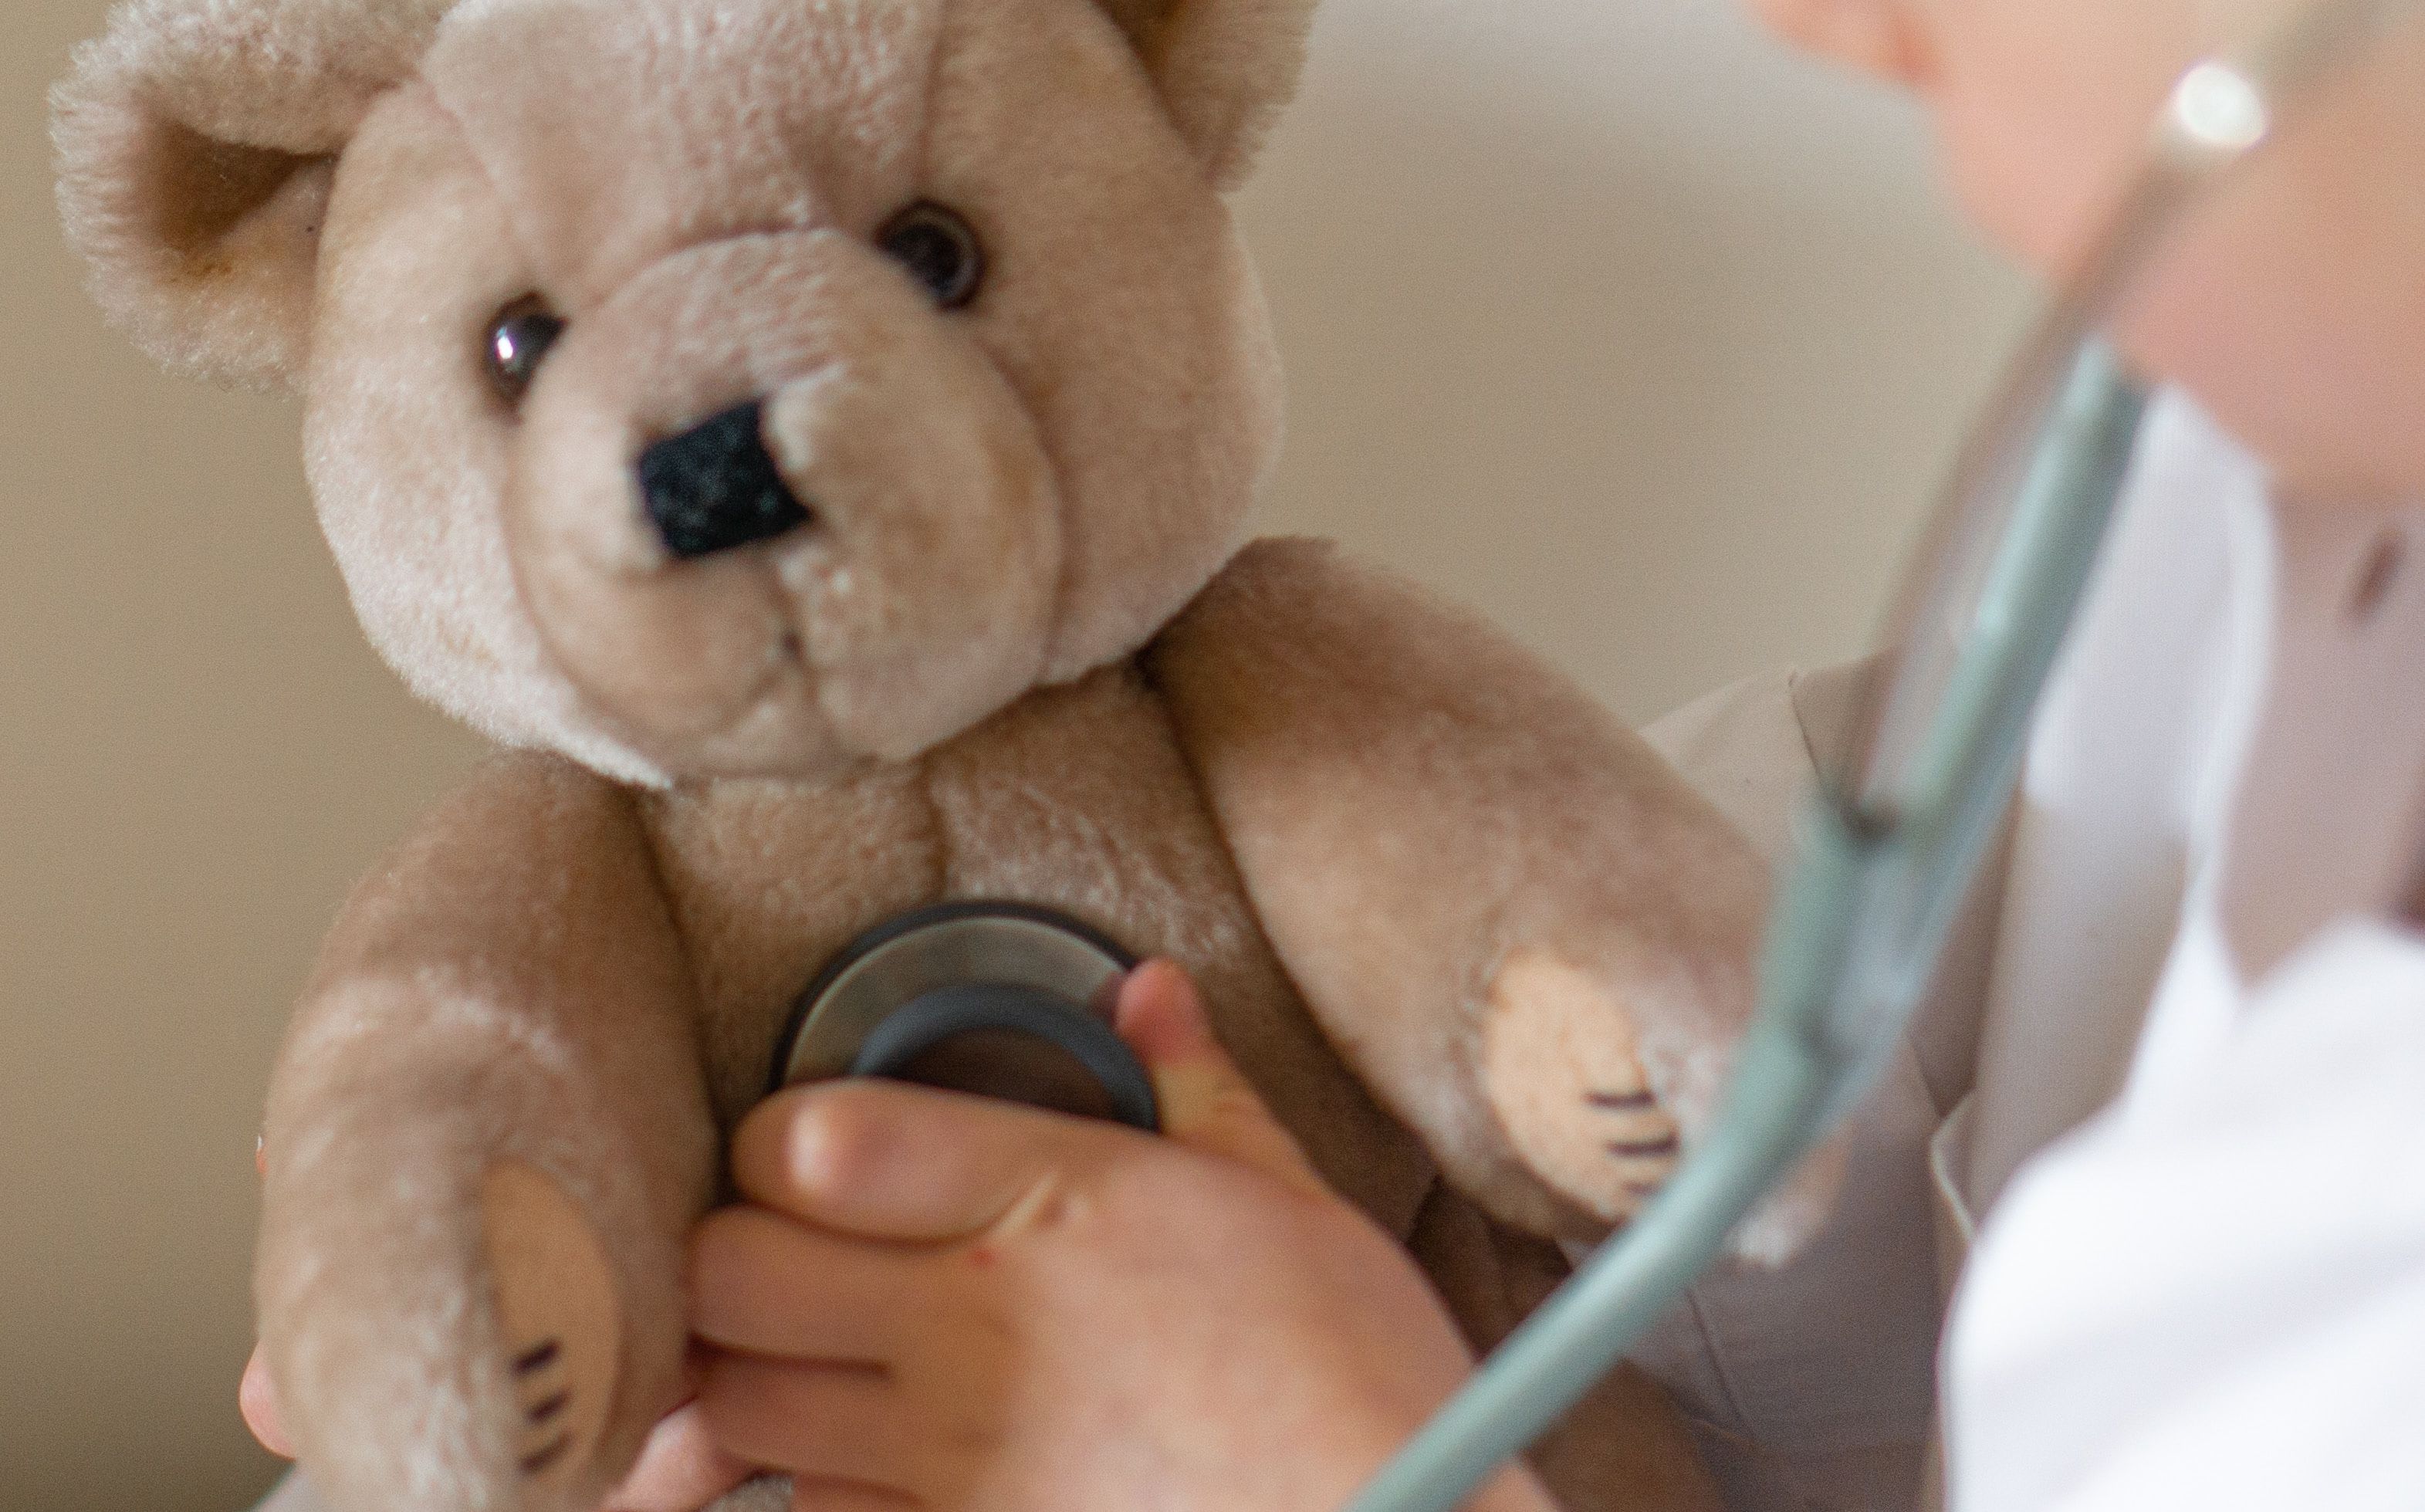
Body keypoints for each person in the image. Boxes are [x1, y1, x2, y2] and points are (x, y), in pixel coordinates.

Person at [243, 0, 2425, 1507]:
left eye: (927, 256)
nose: (1821, 21)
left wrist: (1353, 1470)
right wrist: (474, 1271)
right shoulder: (2235, 486)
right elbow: (1826, 972)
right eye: (527, 344)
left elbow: (1589, 969)